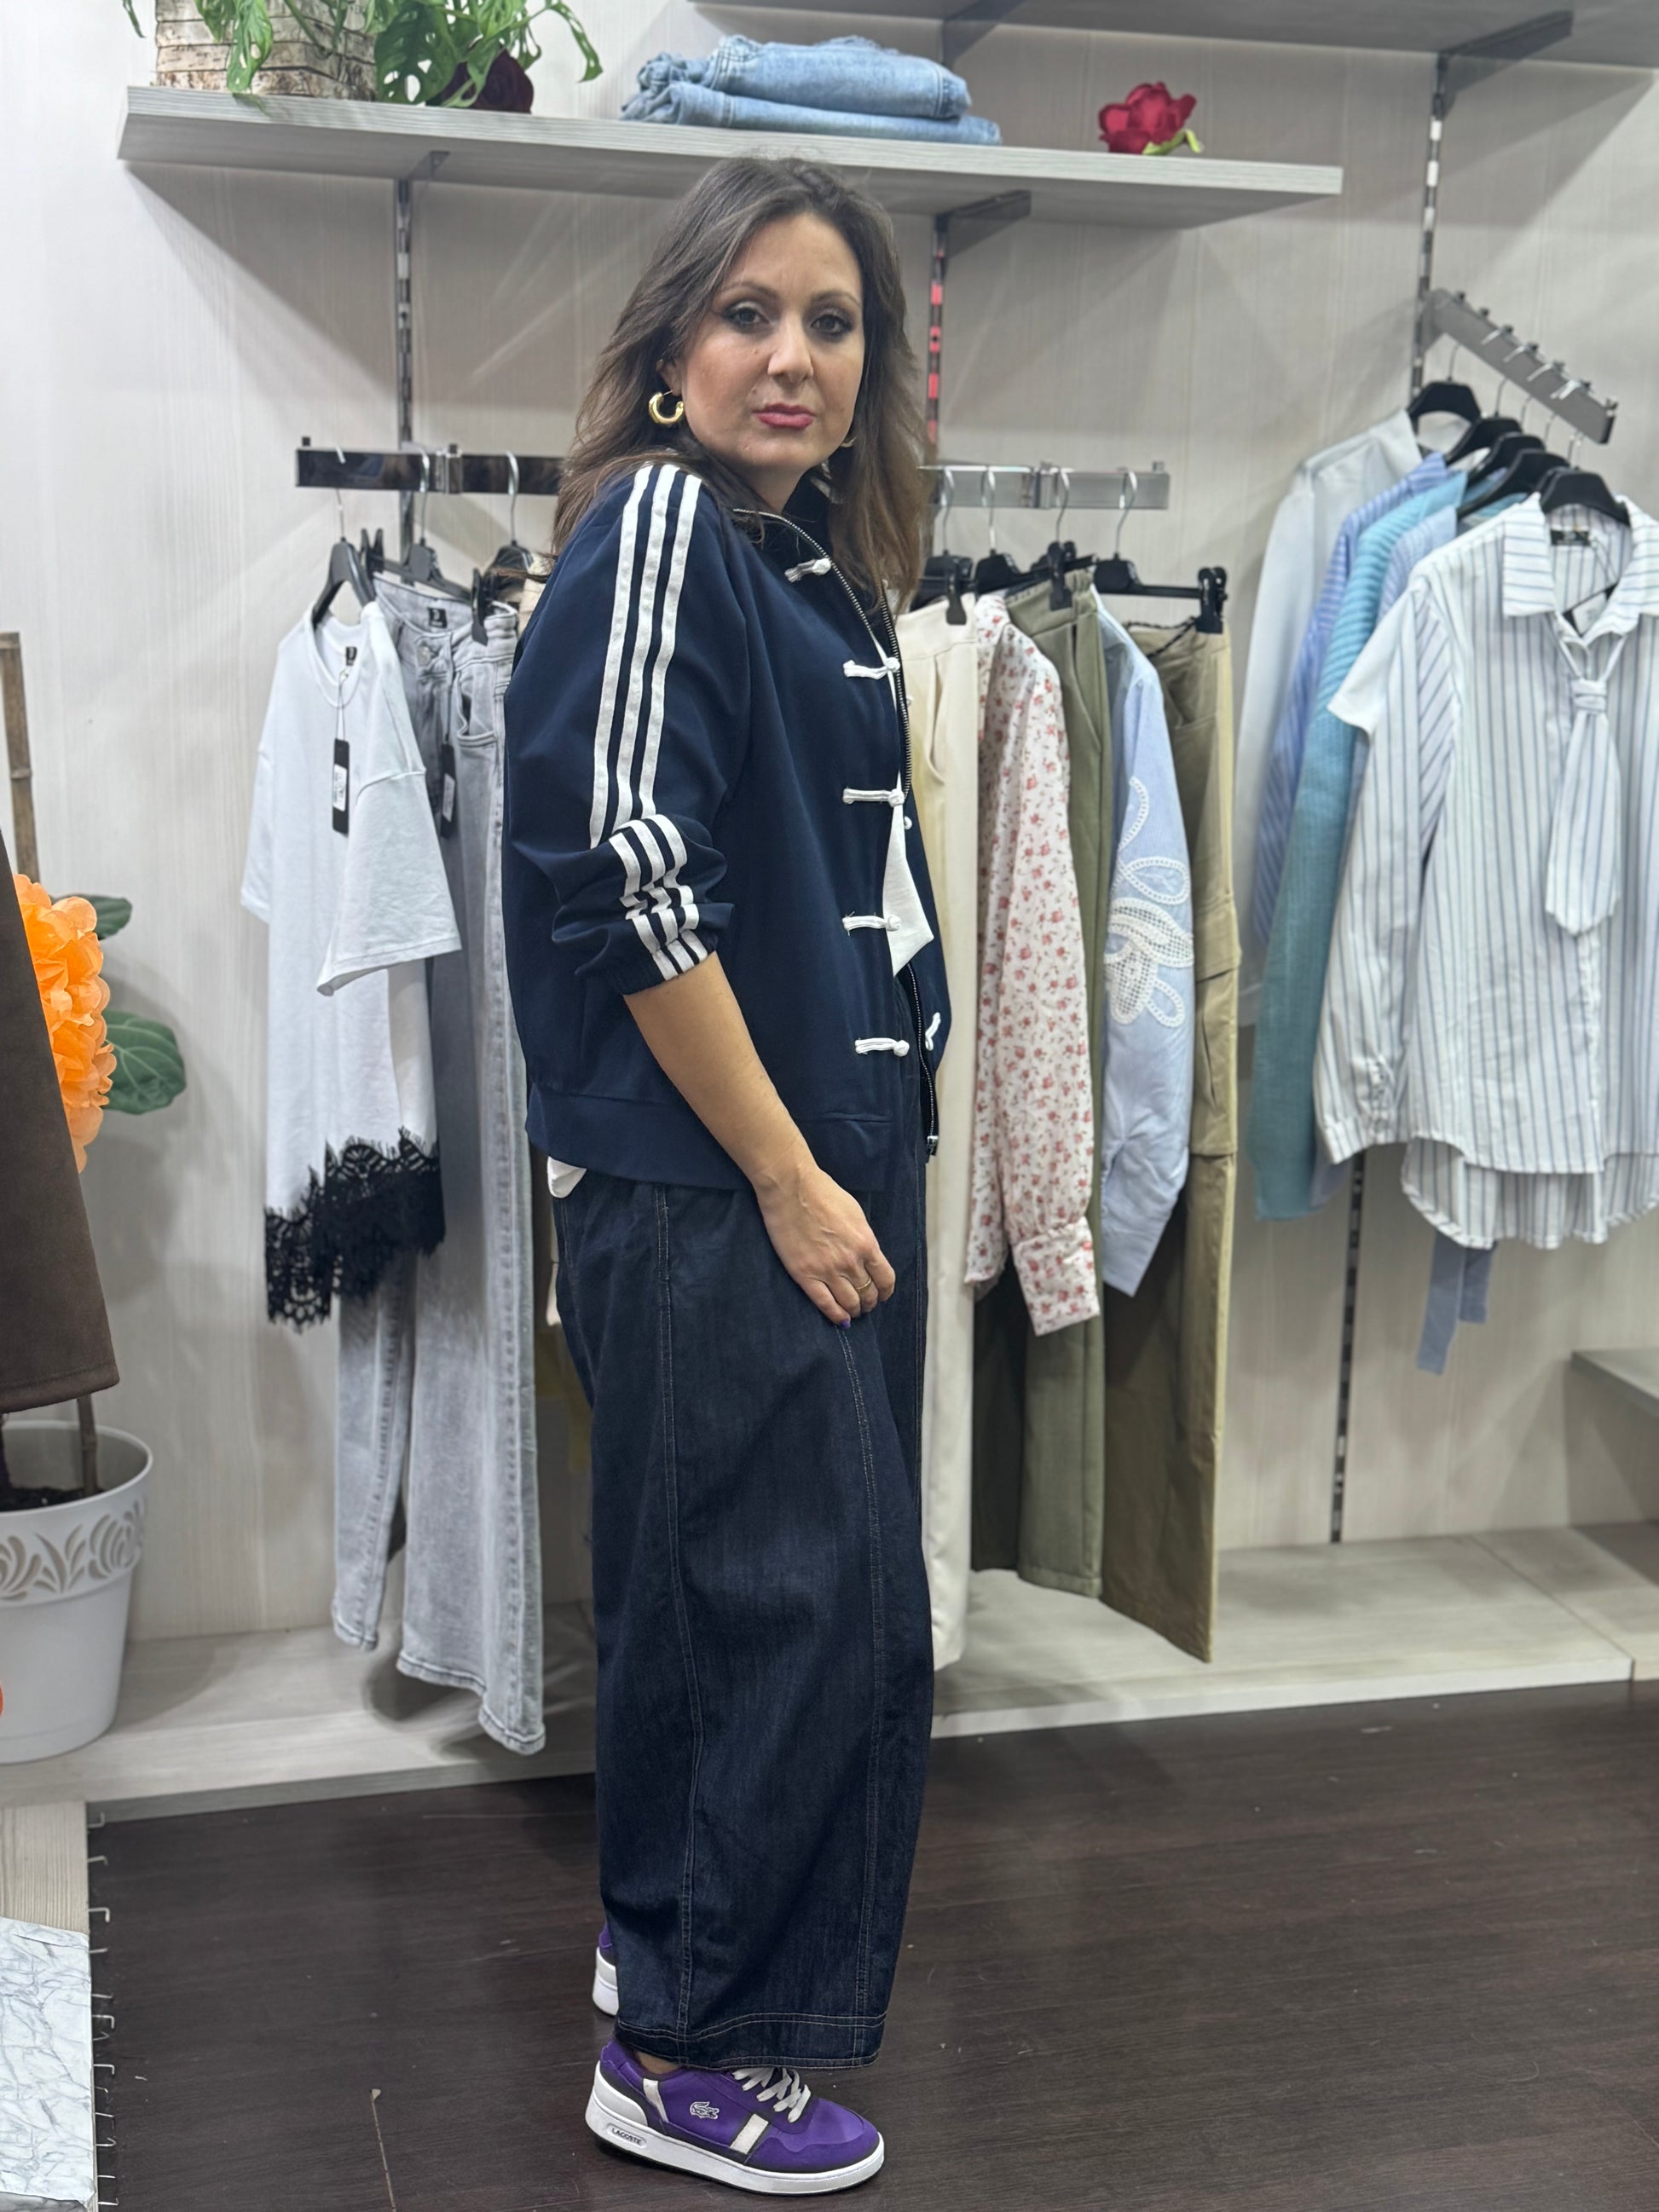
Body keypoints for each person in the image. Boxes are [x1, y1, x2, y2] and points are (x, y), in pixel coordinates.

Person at [502, 156, 951, 2194]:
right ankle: (686, 2051)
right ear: (670, 350)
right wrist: (782, 1172)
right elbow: (622, 872)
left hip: (799, 1173)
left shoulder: (803, 571)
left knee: (742, 1605)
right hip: (719, 1191)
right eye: (748, 312)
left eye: (831, 322)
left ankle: (663, 1962)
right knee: (793, 1618)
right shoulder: (672, 524)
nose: (791, 355)